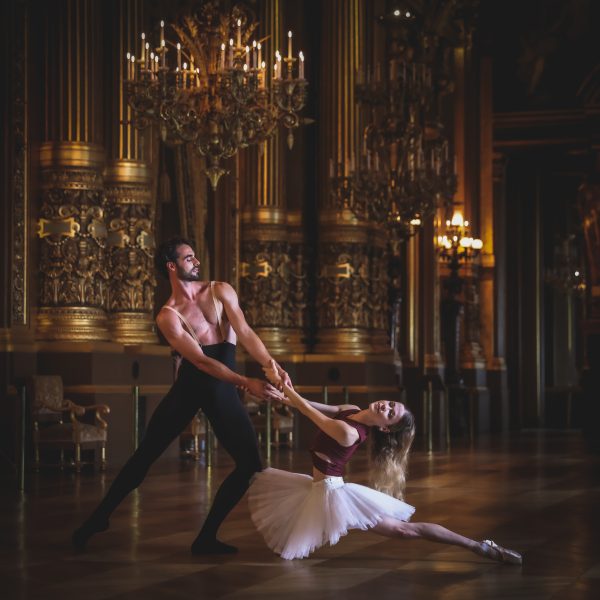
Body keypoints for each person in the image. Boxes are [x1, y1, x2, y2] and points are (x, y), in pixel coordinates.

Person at [72, 236, 288, 555]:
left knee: (250, 464)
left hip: (218, 388)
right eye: (189, 258)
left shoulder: (220, 289)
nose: (196, 262)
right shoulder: (168, 315)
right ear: (172, 266)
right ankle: (97, 520)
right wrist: (245, 382)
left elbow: (244, 331)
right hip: (191, 386)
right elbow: (199, 361)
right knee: (145, 454)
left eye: (196, 257)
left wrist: (270, 366)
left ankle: (206, 538)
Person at [248, 360, 523, 565]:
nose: (386, 407)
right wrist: (283, 394)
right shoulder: (351, 411)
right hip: (316, 489)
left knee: (404, 530)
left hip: (333, 494)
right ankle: (478, 547)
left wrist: (282, 383)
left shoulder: (349, 433)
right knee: (286, 547)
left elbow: (309, 413)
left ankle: (478, 547)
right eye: (391, 404)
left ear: (386, 429)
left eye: (391, 414)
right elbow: (309, 404)